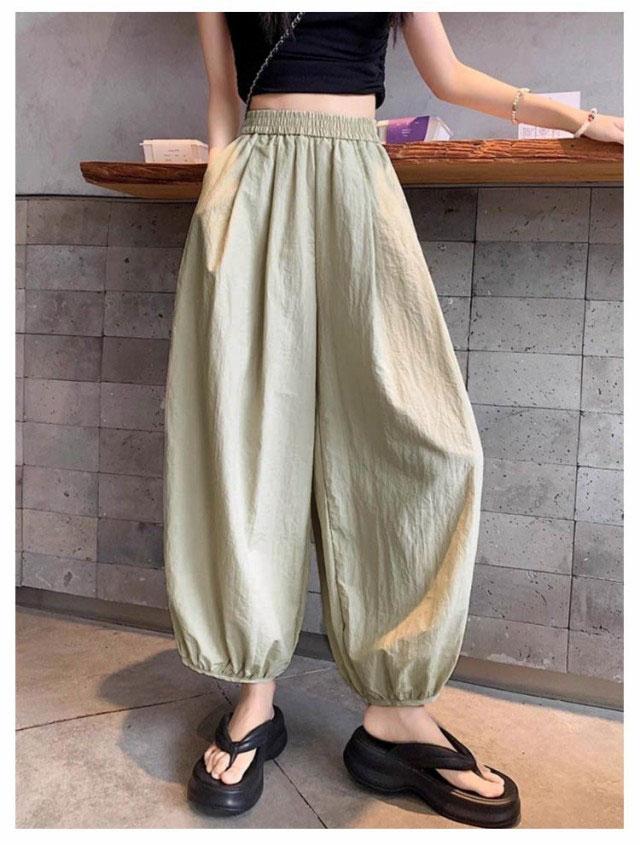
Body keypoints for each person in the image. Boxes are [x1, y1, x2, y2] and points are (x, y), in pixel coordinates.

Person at [163, 11, 623, 827]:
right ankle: (255, 697)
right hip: (251, 190)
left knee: (431, 443)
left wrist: (578, 119)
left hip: (358, 182)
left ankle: (396, 714)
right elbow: (223, 95)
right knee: (248, 443)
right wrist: (217, 200)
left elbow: (448, 76)